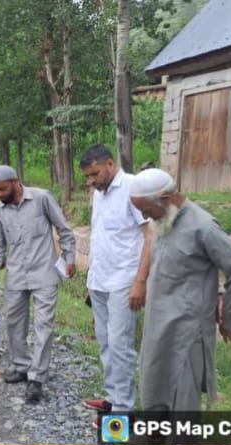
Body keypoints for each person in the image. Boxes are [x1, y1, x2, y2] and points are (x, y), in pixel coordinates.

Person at [130, 169, 231, 413]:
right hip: (158, 322)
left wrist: (229, 317)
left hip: (185, 331)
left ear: (164, 199)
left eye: (146, 210)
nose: (143, 216)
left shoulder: (203, 226)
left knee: (183, 398)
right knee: (155, 387)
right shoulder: (163, 220)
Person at [0, 165, 75, 402]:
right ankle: (21, 365)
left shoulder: (41, 199)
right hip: (16, 276)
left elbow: (65, 230)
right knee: (13, 322)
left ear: (15, 181)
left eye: (2, 189)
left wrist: (69, 258)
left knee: (44, 326)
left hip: (44, 274)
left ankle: (37, 378)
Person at [79, 144, 151, 414]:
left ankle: (123, 408)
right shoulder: (99, 193)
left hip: (124, 280)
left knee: (121, 345)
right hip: (99, 280)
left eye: (94, 174)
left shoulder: (133, 188)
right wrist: (90, 280)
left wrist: (140, 282)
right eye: (87, 177)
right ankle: (113, 397)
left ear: (110, 164)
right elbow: (100, 238)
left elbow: (150, 237)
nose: (91, 181)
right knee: (105, 341)